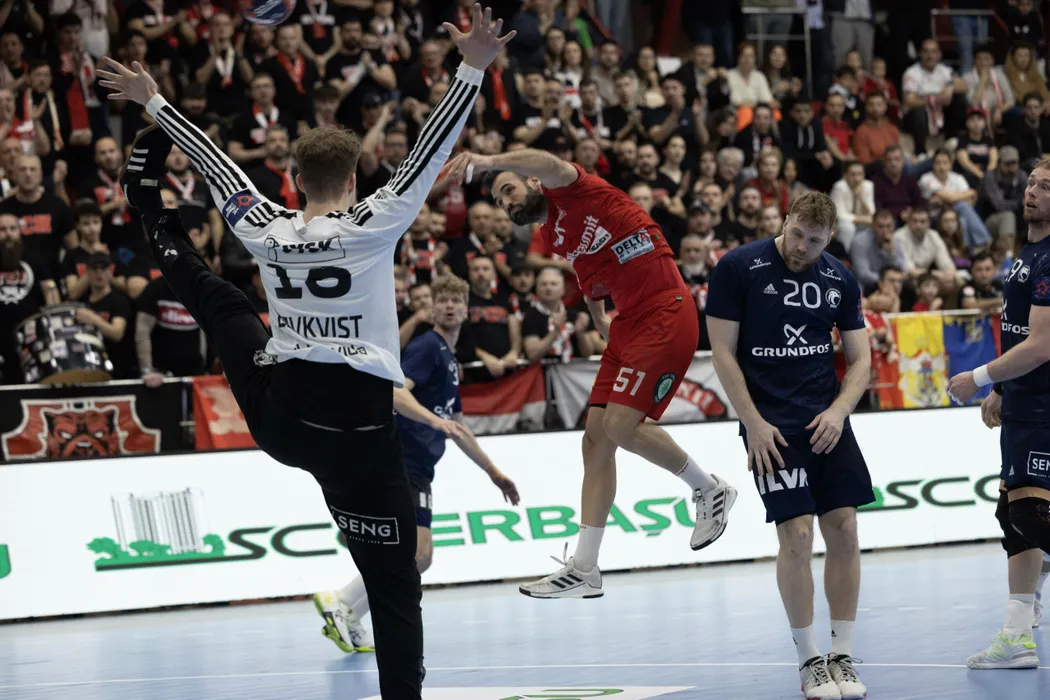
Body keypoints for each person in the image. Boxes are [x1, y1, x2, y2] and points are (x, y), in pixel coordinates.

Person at [96, 7, 514, 698]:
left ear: (292, 180)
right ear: (354, 182)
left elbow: (219, 167)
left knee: (224, 306)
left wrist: (155, 103)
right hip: (358, 431)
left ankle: (151, 214)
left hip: (284, 418)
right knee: (394, 585)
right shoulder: (377, 221)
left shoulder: (268, 226)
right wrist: (472, 66)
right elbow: (428, 152)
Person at [444, 145, 738, 600]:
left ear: (532, 181)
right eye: (500, 202)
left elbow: (547, 161)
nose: (507, 204)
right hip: (628, 326)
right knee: (596, 440)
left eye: (509, 191)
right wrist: (600, 315)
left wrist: (487, 161)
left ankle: (710, 489)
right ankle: (584, 567)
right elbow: (589, 272)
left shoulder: (573, 189)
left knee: (621, 425)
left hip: (665, 310)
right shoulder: (554, 233)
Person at [706, 192, 873, 700]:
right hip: (770, 425)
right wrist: (752, 423)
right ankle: (809, 660)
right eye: (797, 234)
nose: (802, 247)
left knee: (845, 528)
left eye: (815, 241)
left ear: (830, 238)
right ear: (786, 221)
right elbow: (722, 353)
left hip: (827, 419)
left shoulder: (840, 279)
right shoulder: (738, 267)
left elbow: (861, 360)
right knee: (797, 535)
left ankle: (842, 654)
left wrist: (839, 411)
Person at [313, 274, 520, 654]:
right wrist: (431, 421)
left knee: (411, 557)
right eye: (443, 300)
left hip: (420, 467)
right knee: (417, 555)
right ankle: (341, 601)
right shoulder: (427, 347)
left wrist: (493, 472)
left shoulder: (449, 358)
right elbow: (394, 392)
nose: (450, 306)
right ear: (431, 308)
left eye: (457, 300)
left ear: (467, 309)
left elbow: (458, 425)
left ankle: (348, 609)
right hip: (403, 461)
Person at [949, 155, 1050, 670]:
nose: (1032, 191)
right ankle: (1016, 637)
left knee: (1031, 514)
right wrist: (1005, 390)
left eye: (1045, 186)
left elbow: (1041, 346)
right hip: (1024, 403)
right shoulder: (1027, 254)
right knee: (1014, 518)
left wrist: (981, 377)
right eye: (1031, 182)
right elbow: (1019, 336)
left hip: (1045, 408)